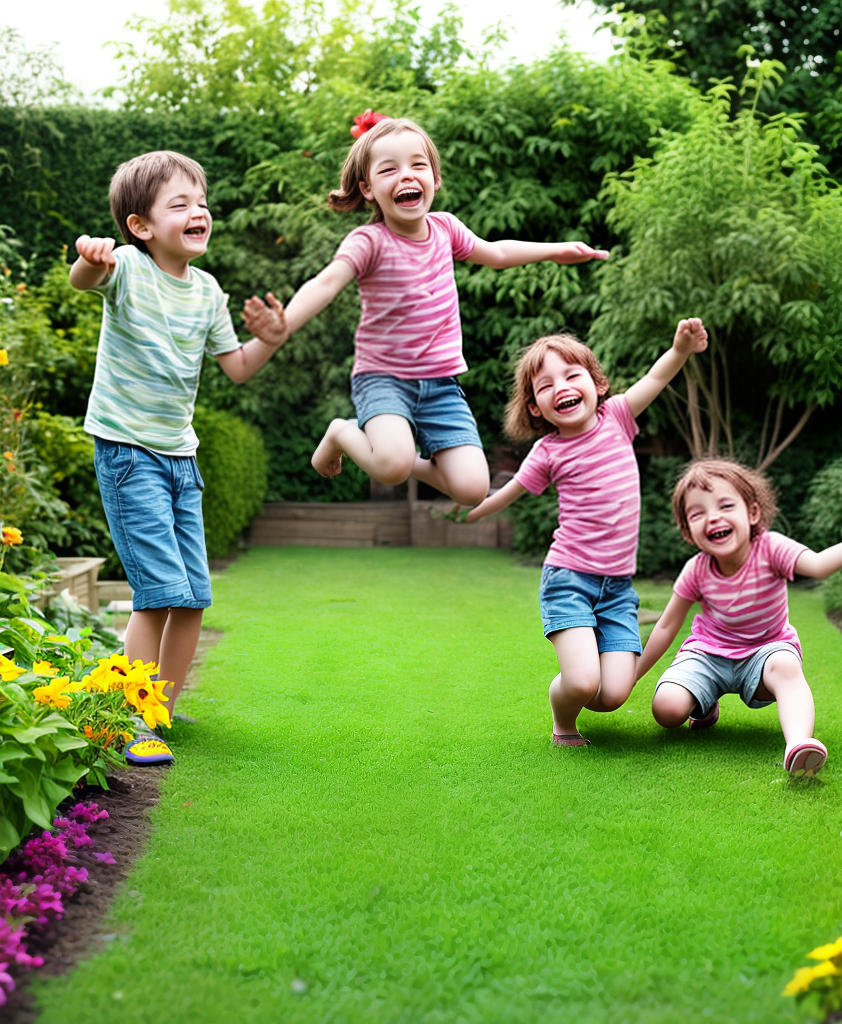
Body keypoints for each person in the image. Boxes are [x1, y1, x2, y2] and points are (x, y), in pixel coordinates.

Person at [242, 113, 608, 507]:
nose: (407, 176)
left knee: (470, 489)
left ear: (435, 179)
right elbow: (327, 283)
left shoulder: (446, 229)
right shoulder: (369, 241)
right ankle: (340, 433)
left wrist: (557, 251)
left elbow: (498, 252)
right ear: (367, 189)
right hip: (383, 378)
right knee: (391, 467)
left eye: (418, 165)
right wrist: (284, 324)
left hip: (441, 384)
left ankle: (394, 451)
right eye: (389, 169)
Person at [70, 150, 290, 766]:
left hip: (179, 459)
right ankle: (127, 719)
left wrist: (268, 341)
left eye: (201, 202)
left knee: (192, 593)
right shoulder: (129, 269)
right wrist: (91, 262)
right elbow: (84, 282)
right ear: (141, 226)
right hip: (128, 453)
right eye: (180, 204)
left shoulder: (208, 291)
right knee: (156, 591)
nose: (199, 212)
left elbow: (238, 367)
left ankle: (158, 707)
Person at [464, 320, 708, 746]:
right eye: (546, 385)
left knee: (611, 695)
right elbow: (508, 493)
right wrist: (466, 510)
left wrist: (681, 350)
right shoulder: (547, 452)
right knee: (580, 684)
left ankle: (582, 679)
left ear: (597, 385)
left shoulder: (616, 417)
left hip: (616, 587)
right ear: (535, 408)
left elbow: (656, 377)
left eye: (572, 375)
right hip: (569, 579)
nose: (562, 386)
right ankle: (563, 721)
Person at [635, 459, 842, 776]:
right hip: (707, 654)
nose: (713, 518)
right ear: (688, 532)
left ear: (752, 513)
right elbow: (667, 626)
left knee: (785, 665)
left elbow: (820, 565)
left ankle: (798, 745)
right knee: (667, 710)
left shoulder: (771, 548)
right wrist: (632, 675)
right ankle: (704, 703)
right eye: (697, 514)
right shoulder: (696, 570)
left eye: (726, 505)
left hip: (765, 653)